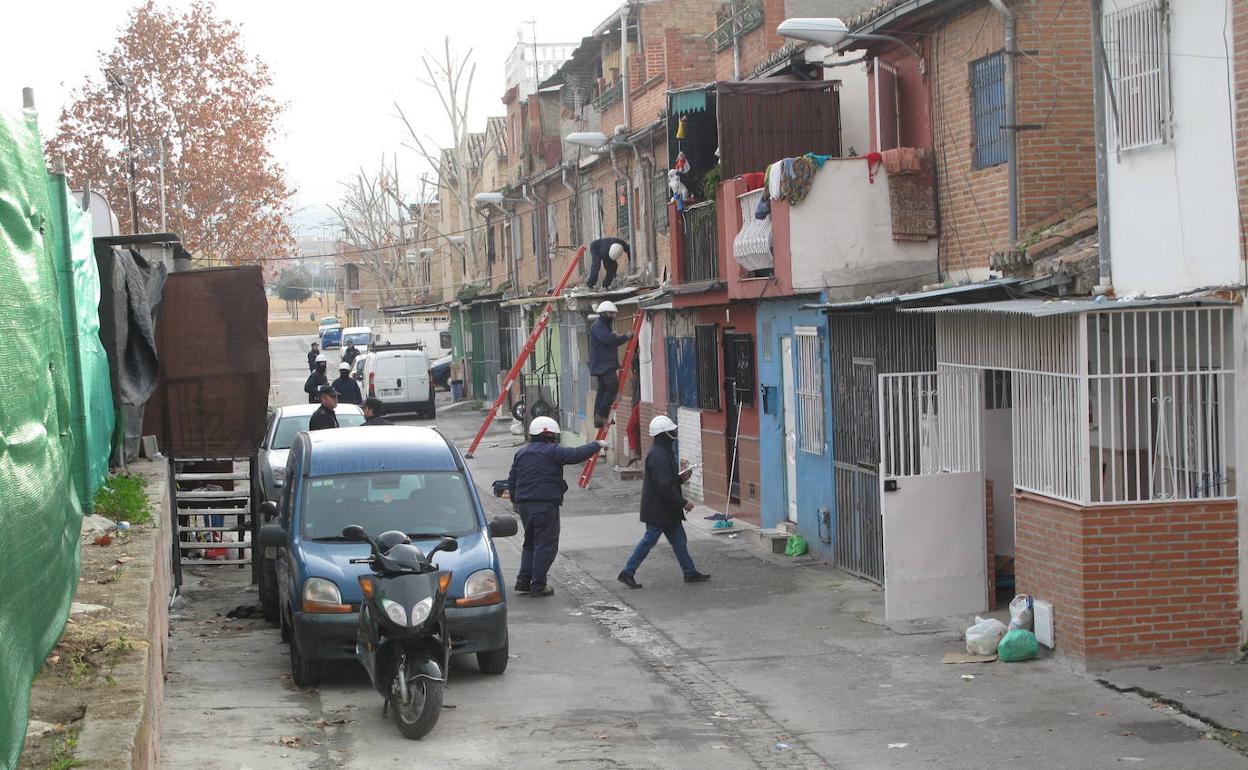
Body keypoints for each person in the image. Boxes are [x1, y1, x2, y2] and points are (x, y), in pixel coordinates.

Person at [506, 416, 605, 597]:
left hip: (525, 505)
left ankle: (524, 579)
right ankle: (538, 585)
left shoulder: (521, 453)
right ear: (551, 435)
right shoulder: (553, 451)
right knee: (546, 545)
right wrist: (596, 444)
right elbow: (576, 455)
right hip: (545, 504)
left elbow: (512, 479)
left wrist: (515, 501)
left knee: (530, 543)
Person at [617, 415, 710, 589]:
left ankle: (689, 571)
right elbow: (664, 486)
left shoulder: (662, 452)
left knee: (679, 541)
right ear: (664, 434)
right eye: (672, 431)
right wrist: (682, 502)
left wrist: (681, 479)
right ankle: (628, 572)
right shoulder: (659, 455)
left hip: (665, 510)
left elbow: (666, 481)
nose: (675, 433)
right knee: (649, 541)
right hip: (659, 510)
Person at [589, 301, 632, 428]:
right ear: (603, 314)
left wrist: (625, 337)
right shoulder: (598, 326)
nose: (613, 316)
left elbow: (613, 341)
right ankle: (601, 414)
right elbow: (608, 339)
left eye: (614, 314)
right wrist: (618, 335)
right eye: (610, 313)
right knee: (612, 387)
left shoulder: (604, 326)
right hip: (604, 365)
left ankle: (599, 417)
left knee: (603, 390)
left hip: (604, 364)